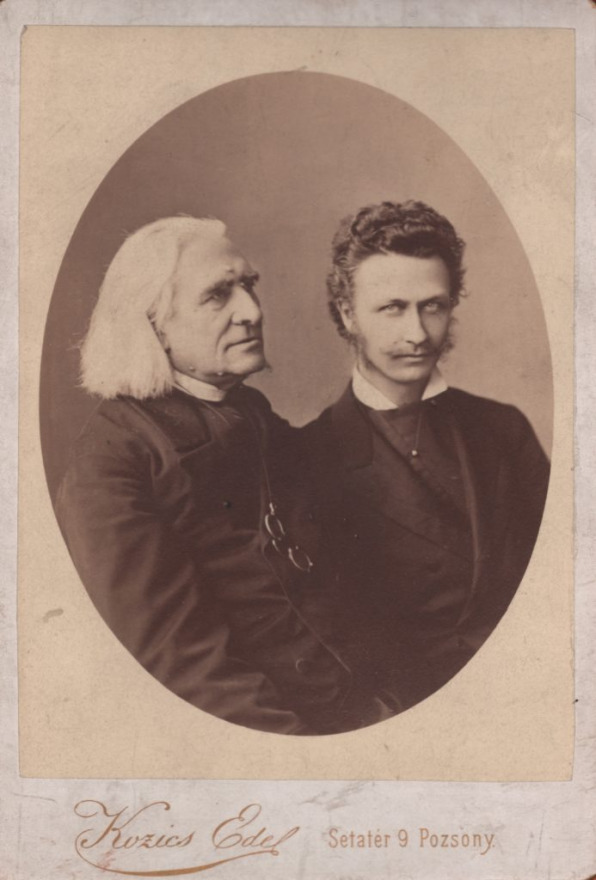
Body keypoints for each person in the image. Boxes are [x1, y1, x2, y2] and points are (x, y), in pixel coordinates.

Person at [55, 216, 391, 735]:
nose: (252, 311)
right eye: (217, 295)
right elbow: (182, 667)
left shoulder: (246, 411)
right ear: (153, 324)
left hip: (366, 702)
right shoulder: (113, 459)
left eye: (249, 285)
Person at [304, 200, 550, 711]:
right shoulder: (309, 457)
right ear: (348, 313)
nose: (416, 334)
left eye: (432, 306)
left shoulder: (503, 428)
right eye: (392, 308)